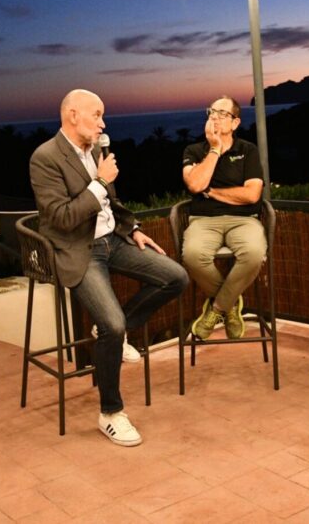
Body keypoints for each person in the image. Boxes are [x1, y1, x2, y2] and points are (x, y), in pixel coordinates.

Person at [29, 89, 188, 447]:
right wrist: (99, 181)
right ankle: (111, 413)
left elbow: (111, 206)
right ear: (72, 115)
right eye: (96, 115)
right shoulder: (45, 157)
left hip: (112, 242)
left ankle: (116, 334)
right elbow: (63, 218)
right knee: (111, 323)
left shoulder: (96, 151)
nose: (103, 123)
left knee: (174, 277)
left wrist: (133, 230)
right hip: (78, 250)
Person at [181, 96, 266, 340]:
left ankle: (217, 308)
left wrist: (213, 192)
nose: (215, 117)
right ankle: (230, 304)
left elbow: (252, 194)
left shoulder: (247, 150)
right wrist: (215, 149)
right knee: (193, 255)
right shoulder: (194, 150)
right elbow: (196, 184)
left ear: (235, 122)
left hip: (244, 220)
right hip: (204, 220)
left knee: (253, 253)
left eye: (222, 113)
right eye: (211, 112)